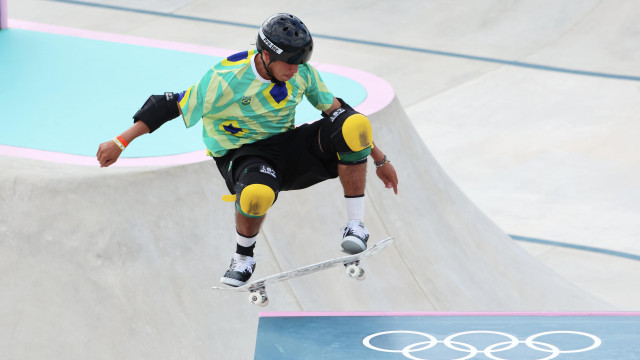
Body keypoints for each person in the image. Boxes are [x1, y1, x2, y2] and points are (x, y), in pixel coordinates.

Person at [97, 13, 398, 287]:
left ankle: (356, 226)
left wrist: (380, 159)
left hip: (288, 147)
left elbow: (337, 111)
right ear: (265, 55)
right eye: (289, 63)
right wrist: (120, 142)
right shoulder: (224, 79)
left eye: (299, 62)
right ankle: (243, 257)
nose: (295, 70)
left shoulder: (301, 72)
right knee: (256, 196)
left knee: (353, 123)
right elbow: (167, 105)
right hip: (243, 155)